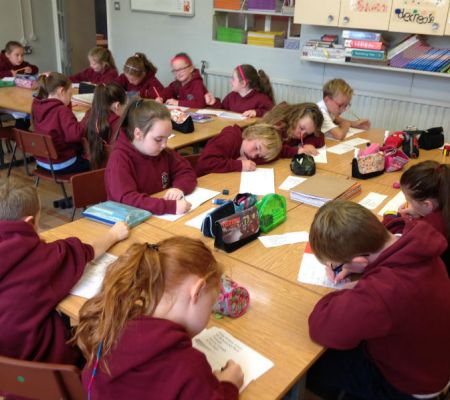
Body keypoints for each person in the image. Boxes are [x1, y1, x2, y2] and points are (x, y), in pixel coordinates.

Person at [306, 200, 450, 400]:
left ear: (359, 261)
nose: (336, 269)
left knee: (316, 366)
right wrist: (352, 266)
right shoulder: (411, 238)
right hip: (434, 361)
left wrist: (346, 290)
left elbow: (321, 327)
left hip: (411, 384)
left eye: (336, 265)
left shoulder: (381, 292)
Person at [74, 236, 243, 399]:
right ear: (197, 292)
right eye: (211, 305)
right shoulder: (190, 366)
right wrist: (229, 385)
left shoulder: (110, 328)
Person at [0, 177, 129, 365]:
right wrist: (114, 234)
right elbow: (87, 251)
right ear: (29, 222)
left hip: (9, 371)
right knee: (108, 333)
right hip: (50, 370)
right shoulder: (44, 257)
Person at [105, 99, 196, 215]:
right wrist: (169, 207)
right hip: (130, 219)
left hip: (157, 217)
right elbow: (127, 200)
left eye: (167, 138)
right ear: (138, 134)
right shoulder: (119, 159)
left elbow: (186, 171)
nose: (164, 145)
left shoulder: (162, 152)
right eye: (158, 139)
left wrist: (179, 187)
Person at [383, 160, 450, 276]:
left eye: (408, 200)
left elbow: (395, 245)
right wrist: (419, 212)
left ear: (427, 205)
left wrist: (391, 216)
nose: (407, 203)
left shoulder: (430, 229)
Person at [32, 72, 90, 174]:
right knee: (96, 160)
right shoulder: (61, 110)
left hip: (42, 161)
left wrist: (67, 105)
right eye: (70, 94)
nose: (71, 98)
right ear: (62, 91)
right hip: (61, 163)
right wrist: (88, 116)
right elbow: (76, 135)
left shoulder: (36, 105)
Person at [195, 123, 282, 176]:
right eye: (256, 148)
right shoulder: (229, 138)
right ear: (252, 134)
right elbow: (204, 163)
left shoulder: (250, 150)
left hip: (221, 179)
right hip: (203, 180)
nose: (253, 156)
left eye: (258, 155)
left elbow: (276, 154)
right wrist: (239, 165)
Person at [84, 82, 127, 169]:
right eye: (125, 105)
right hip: (114, 168)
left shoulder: (89, 114)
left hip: (95, 167)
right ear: (117, 105)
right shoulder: (119, 125)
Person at [205, 64, 274, 117]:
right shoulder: (231, 96)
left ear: (243, 83)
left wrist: (256, 112)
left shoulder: (261, 98)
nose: (231, 81)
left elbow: (273, 113)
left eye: (233, 79)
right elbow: (222, 110)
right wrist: (214, 102)